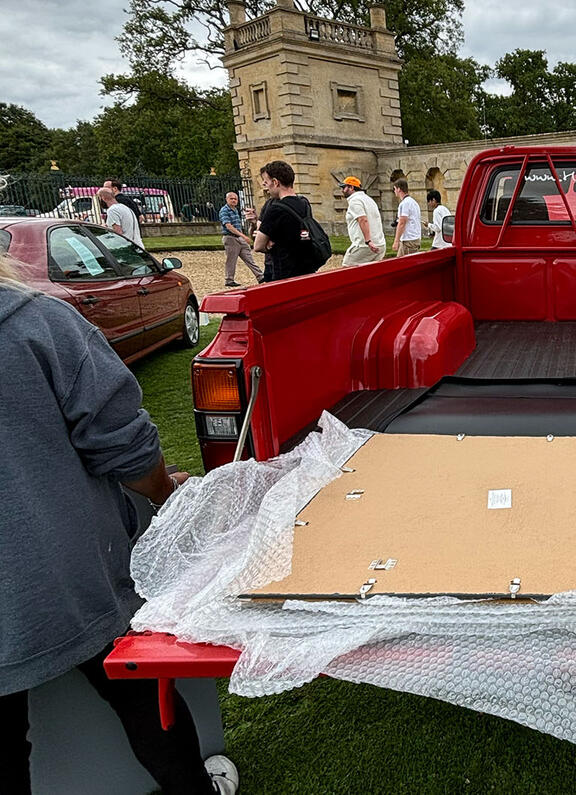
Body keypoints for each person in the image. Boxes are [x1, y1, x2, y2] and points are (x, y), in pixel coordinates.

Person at [0, 256, 239, 794]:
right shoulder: (39, 323)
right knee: (142, 699)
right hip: (73, 579)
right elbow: (124, 445)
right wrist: (165, 493)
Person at [253, 160, 313, 282]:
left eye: (267, 182)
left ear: (275, 182)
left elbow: (258, 246)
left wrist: (269, 245)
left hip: (285, 273)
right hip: (307, 267)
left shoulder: (275, 209)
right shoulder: (304, 203)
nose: (266, 186)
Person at [219, 192, 263, 287]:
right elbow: (228, 226)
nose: (234, 200)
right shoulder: (224, 210)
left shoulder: (235, 210)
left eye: (235, 199)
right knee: (231, 260)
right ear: (227, 199)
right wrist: (243, 236)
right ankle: (229, 280)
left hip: (238, 238)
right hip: (230, 237)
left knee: (249, 258)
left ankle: (260, 276)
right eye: (231, 198)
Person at [339, 176, 386, 266]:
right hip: (380, 244)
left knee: (347, 269)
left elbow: (362, 219)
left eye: (343, 187)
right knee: (371, 273)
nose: (342, 190)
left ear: (351, 187)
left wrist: (368, 241)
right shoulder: (369, 199)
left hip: (365, 246)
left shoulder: (355, 201)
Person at [391, 177, 421, 256]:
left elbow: (402, 222)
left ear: (399, 189)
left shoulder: (405, 203)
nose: (394, 191)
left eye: (394, 189)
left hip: (408, 240)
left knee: (401, 265)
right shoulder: (414, 202)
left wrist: (396, 241)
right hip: (414, 239)